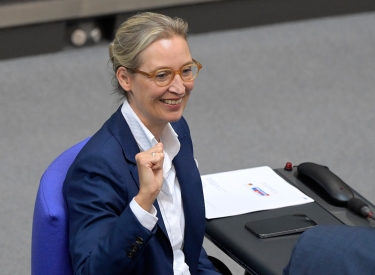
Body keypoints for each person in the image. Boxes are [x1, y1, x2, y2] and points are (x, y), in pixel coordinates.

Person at [63, 12, 223, 275]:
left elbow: (182, 250)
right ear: (125, 78)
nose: (180, 88)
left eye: (185, 71)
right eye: (162, 75)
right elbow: (91, 271)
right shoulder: (97, 167)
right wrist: (144, 201)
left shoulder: (177, 130)